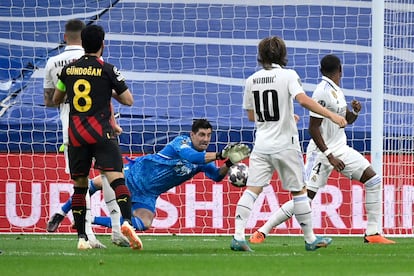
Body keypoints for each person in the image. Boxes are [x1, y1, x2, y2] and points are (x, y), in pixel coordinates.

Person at [249, 54, 395, 245]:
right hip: (321, 153)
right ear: (340, 70)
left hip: (340, 148)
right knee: (305, 199)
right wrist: (329, 155)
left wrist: (355, 112)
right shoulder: (321, 92)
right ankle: (262, 231)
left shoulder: (337, 91)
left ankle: (373, 233)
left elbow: (344, 122)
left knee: (373, 180)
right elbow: (313, 128)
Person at [230, 37, 348, 252]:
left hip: (262, 144)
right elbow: (303, 100)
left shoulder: (252, 79)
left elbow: (250, 115)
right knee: (299, 192)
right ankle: (310, 238)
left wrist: (285, 116)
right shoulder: (289, 75)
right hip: (285, 144)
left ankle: (238, 236)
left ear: (261, 55)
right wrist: (332, 115)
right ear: (283, 54)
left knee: (252, 190)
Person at [47, 119, 251, 234]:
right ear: (192, 135)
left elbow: (216, 176)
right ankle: (62, 212)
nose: (206, 139)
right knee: (98, 182)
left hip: (149, 194)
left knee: (144, 223)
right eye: (202, 135)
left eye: (209, 136)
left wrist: (229, 163)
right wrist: (219, 155)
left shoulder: (203, 160)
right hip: (136, 174)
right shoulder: (181, 143)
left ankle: (87, 220)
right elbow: (191, 156)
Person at [52, 24, 140, 250]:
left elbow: (56, 99)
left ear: (82, 44)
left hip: (76, 135)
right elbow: (128, 100)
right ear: (102, 44)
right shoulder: (108, 69)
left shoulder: (68, 70)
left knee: (80, 186)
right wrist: (106, 90)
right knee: (117, 179)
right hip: (102, 132)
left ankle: (81, 237)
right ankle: (127, 222)